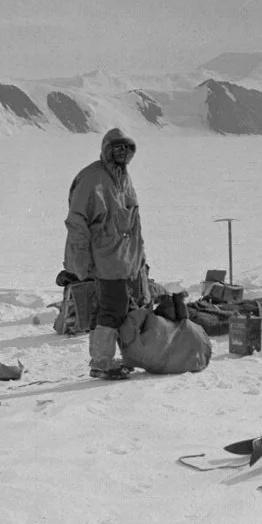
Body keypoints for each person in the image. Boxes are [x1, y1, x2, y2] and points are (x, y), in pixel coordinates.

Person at [64, 128, 150, 375]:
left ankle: (116, 357)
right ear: (106, 149)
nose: (122, 152)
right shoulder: (92, 178)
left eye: (127, 148)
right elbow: (76, 220)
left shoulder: (124, 178)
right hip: (105, 257)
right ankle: (101, 362)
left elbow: (133, 222)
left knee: (119, 306)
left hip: (124, 258)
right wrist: (81, 259)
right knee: (112, 307)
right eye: (117, 147)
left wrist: (140, 258)